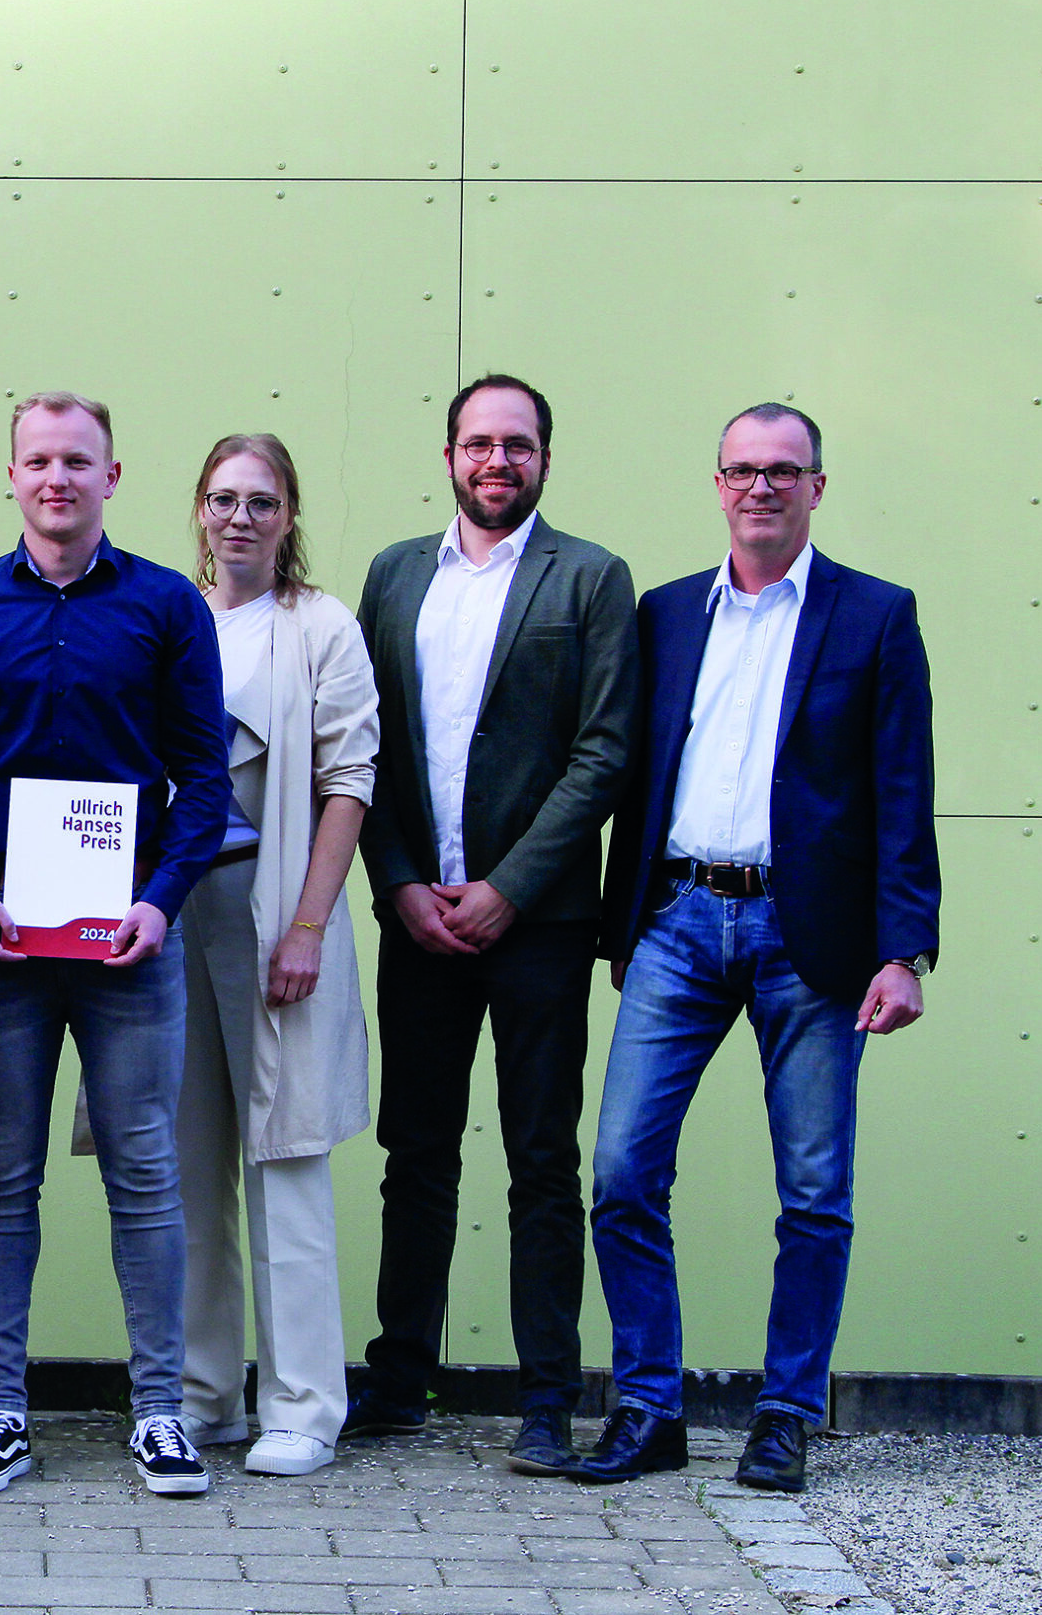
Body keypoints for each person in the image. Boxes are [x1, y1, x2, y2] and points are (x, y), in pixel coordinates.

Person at [574, 404, 939, 1492]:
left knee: (814, 1191)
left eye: (785, 471)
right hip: (679, 922)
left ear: (817, 487)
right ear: (718, 482)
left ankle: (784, 1414)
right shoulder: (664, 614)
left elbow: (901, 792)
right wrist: (621, 925)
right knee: (624, 1174)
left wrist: (903, 950)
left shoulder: (873, 616)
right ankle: (648, 1408)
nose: (763, 487)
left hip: (810, 937)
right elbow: (633, 775)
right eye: (743, 469)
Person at [0, 391, 228, 1497]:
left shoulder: (166, 605)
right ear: (9, 476)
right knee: (0, 1175)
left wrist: (161, 902)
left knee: (145, 1172)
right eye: (37, 460)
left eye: (77, 461)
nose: (57, 478)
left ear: (112, 475)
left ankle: (158, 1415)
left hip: (128, 949)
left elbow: (203, 782)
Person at [349, 375, 637, 1475]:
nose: (496, 462)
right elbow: (359, 744)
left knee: (538, 1158)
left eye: (517, 446)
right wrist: (401, 884)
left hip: (540, 924)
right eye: (479, 444)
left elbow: (603, 750)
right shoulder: (394, 575)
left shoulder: (591, 578)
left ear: (545, 462)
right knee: (413, 1153)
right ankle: (398, 1379)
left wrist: (509, 887)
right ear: (448, 456)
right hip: (419, 917)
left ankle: (547, 1399)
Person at [174, 436, 379, 1479]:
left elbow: (349, 781)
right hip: (173, 920)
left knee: (285, 1160)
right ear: (198, 511)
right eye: (222, 499)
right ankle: (203, 1393)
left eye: (261, 500)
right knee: (185, 1161)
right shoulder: (167, 615)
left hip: (276, 915)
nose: (240, 517)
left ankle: (301, 1404)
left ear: (290, 514)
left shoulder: (321, 627)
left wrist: (306, 926)